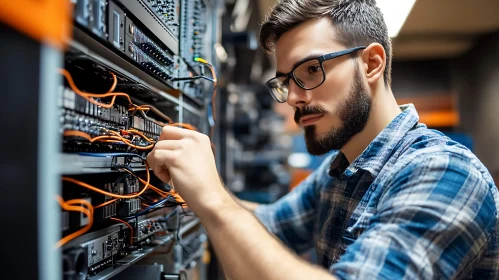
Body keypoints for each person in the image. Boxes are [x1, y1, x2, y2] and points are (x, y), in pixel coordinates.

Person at [147, 0, 499, 279]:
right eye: (286, 81)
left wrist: (214, 200)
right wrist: (196, 186)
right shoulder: (341, 173)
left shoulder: (445, 172)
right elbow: (270, 223)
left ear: (372, 64)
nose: (294, 98)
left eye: (311, 70)